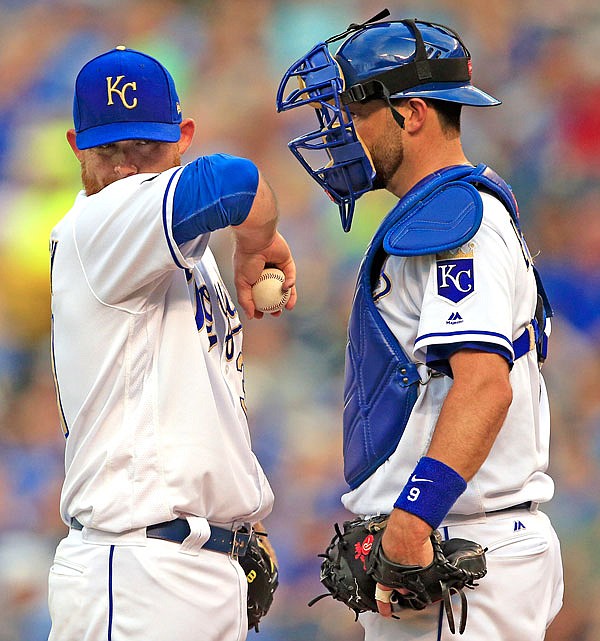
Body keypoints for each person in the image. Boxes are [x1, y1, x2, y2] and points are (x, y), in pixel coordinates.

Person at [277, 13, 563, 641]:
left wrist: (412, 518)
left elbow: (484, 385)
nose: (344, 134)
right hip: (461, 542)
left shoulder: (455, 222)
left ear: (410, 114)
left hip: (462, 546)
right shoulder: (440, 214)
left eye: (356, 111)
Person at [48, 46, 295, 641]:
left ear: (182, 136)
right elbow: (236, 181)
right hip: (135, 572)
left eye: (144, 149)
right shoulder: (98, 226)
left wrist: (240, 526)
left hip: (191, 570)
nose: (126, 171)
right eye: (110, 152)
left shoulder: (191, 257)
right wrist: (259, 240)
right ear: (76, 147)